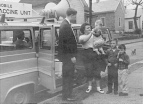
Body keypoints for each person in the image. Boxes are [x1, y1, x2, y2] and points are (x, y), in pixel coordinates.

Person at [58, 8, 77, 101]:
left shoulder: (65, 24)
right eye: (75, 15)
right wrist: (72, 56)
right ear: (72, 15)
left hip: (66, 57)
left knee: (68, 76)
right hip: (68, 57)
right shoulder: (65, 25)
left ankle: (67, 95)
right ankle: (67, 96)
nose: (75, 17)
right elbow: (66, 43)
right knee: (68, 77)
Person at [79, 23, 104, 94]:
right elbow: (83, 41)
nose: (89, 29)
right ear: (83, 30)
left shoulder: (94, 35)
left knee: (97, 71)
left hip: (95, 53)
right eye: (87, 28)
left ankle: (98, 87)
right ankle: (89, 87)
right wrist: (91, 34)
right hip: (87, 54)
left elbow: (100, 40)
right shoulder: (82, 36)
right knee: (89, 70)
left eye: (90, 27)